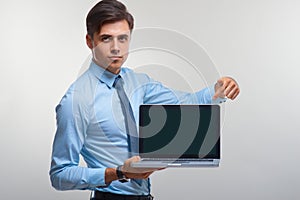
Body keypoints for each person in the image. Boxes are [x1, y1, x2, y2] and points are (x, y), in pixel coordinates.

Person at [49, 0, 240, 199]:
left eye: (123, 38)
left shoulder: (136, 81)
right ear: (90, 41)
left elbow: (185, 102)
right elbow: (60, 174)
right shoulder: (76, 100)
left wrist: (218, 91)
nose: (116, 48)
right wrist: (119, 173)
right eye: (106, 39)